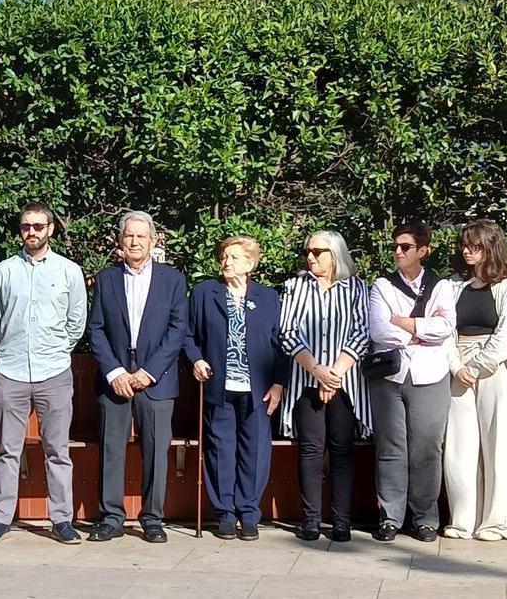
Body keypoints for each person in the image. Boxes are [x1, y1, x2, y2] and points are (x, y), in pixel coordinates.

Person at [0, 201, 87, 545]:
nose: (32, 232)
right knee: (7, 450)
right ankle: (0, 518)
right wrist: (9, 347)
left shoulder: (69, 272)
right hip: (10, 370)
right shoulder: (4, 271)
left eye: (38, 226)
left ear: (50, 229)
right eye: (26, 226)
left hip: (53, 370)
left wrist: (55, 350)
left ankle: (62, 520)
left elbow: (76, 323)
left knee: (57, 450)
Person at [87, 211, 188, 544]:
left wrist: (148, 372)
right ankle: (111, 517)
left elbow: (177, 330)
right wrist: (115, 371)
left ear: (153, 241)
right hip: (114, 377)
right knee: (111, 449)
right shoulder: (106, 279)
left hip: (155, 379)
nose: (134, 241)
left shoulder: (173, 279)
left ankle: (152, 518)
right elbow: (96, 330)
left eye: (141, 236)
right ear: (120, 240)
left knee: (156, 450)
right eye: (129, 235)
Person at [185, 236, 286, 541]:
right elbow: (187, 335)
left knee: (255, 452)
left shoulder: (268, 297)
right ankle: (225, 513)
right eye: (224, 257)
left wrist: (279, 382)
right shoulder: (205, 293)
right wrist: (196, 359)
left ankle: (249, 512)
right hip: (219, 384)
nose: (226, 262)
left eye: (234, 257)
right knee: (220, 450)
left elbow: (280, 342)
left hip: (258, 388)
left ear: (250, 264)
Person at [278, 231, 370, 543]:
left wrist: (335, 374)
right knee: (311, 450)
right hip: (307, 380)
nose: (311, 257)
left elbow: (361, 333)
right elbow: (288, 332)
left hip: (344, 383)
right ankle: (311, 520)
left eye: (318, 251)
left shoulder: (356, 287)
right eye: (308, 251)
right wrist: (318, 371)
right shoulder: (295, 286)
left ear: (336, 254)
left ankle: (342, 521)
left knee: (342, 451)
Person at [367, 222, 456, 543]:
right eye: (395, 246)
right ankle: (390, 515)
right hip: (389, 376)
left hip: (431, 376)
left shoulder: (441, 285)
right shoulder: (381, 286)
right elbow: (378, 330)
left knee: (427, 448)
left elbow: (445, 327)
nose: (398, 252)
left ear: (423, 251)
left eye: (405, 247)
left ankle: (424, 517)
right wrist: (420, 331)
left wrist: (402, 323)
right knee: (391, 448)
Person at [442, 219, 507, 541]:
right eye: (464, 245)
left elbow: (506, 335)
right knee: (459, 448)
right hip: (458, 366)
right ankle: (462, 520)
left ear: (490, 247)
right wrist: (456, 366)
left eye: (474, 246)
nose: (467, 251)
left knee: (498, 445)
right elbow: (445, 329)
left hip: (495, 370)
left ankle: (497, 523)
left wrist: (476, 367)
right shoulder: (452, 285)